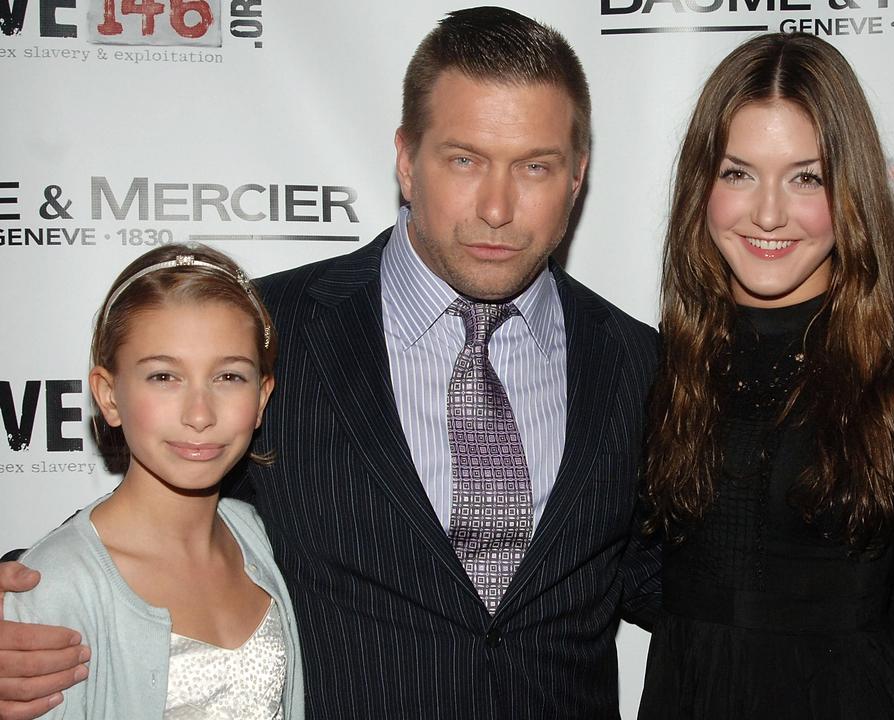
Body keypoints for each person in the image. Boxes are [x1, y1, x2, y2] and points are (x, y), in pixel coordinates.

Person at [0, 7, 660, 719]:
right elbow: (154, 507)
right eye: (463, 160)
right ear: (407, 161)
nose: (497, 207)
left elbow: (679, 577)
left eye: (535, 166)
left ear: (577, 176)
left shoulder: (632, 359)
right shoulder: (269, 330)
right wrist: (26, 596)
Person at [638, 33, 894, 719]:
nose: (768, 213)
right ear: (701, 184)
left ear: (851, 187)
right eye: (739, 173)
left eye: (808, 177)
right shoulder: (654, 366)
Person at [3, 244, 304, 718]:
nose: (200, 414)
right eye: (164, 376)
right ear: (109, 396)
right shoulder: (57, 585)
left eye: (228, 376)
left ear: (262, 397)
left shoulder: (258, 538)